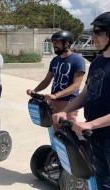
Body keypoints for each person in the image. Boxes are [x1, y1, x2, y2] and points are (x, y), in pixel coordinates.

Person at [52, 11, 110, 190]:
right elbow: (85, 93)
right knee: (102, 180)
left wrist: (91, 124)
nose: (93, 36)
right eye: (93, 32)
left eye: (98, 32)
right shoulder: (97, 62)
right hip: (95, 135)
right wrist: (65, 110)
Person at [27, 30, 86, 129]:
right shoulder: (55, 60)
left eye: (57, 42)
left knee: (67, 134)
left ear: (67, 43)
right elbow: (47, 80)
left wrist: (56, 95)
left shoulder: (77, 60)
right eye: (53, 42)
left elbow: (76, 85)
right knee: (55, 132)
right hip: (53, 102)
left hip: (68, 103)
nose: (54, 45)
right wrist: (34, 90)